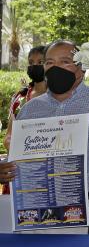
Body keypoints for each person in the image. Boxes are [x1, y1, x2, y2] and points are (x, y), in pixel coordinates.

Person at [0, 40, 89, 233]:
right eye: (50, 63)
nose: (56, 68)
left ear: (82, 68)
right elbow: (19, 158)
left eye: (65, 62)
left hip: (87, 211)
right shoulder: (30, 109)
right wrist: (5, 169)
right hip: (35, 214)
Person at [2, 46, 47, 195]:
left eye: (40, 61)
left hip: (49, 172)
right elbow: (8, 137)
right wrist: (19, 151)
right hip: (20, 171)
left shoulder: (60, 97)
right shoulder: (20, 98)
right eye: (31, 62)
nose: (35, 66)